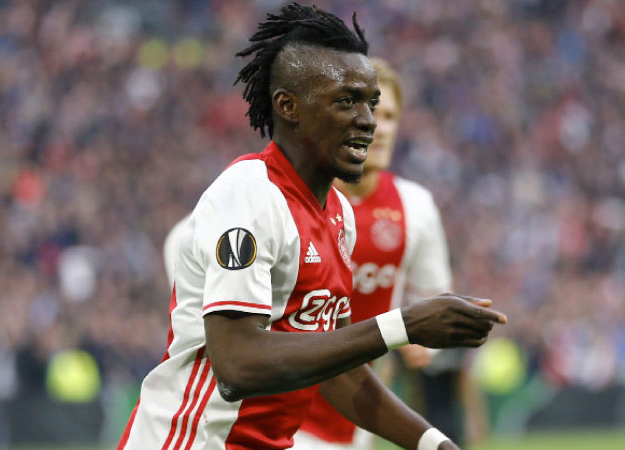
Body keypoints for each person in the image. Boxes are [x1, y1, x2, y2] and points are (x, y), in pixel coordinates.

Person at [118, 4, 506, 449]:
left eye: (371, 104)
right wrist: (403, 325)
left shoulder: (337, 215)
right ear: (289, 106)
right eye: (346, 102)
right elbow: (237, 363)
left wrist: (432, 442)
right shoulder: (249, 194)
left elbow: (338, 374)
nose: (367, 122)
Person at [292, 59, 486, 450]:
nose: (378, 127)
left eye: (389, 115)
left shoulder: (416, 207)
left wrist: (426, 339)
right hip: (274, 418)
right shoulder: (287, 196)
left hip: (353, 424)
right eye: (361, 111)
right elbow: (181, 243)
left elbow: (431, 308)